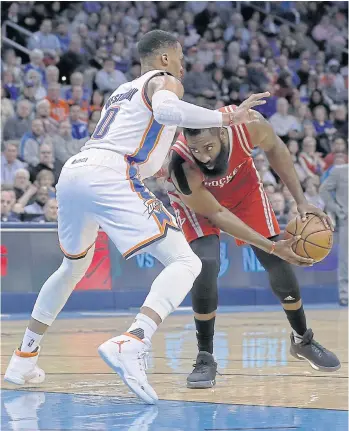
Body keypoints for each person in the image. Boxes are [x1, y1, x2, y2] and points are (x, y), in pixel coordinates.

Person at [4, 30, 286, 405]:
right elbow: (169, 112)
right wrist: (227, 115)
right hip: (111, 172)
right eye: (181, 56)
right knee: (186, 260)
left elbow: (151, 144)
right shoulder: (164, 80)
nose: (184, 65)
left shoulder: (122, 91)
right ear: (165, 58)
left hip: (75, 171)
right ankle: (133, 339)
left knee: (72, 267)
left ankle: (24, 358)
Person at [166, 105, 341, 389]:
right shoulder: (181, 165)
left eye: (209, 146)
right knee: (206, 264)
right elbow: (218, 215)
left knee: (279, 264)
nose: (205, 156)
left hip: (244, 189)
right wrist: (271, 247)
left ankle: (302, 340)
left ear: (222, 133)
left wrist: (300, 200)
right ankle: (205, 355)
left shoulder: (249, 125)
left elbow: (277, 151)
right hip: (200, 205)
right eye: (196, 150)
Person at [320, 165, 348, 306]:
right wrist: (338, 210)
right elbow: (323, 190)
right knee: (346, 260)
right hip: (347, 221)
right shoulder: (339, 171)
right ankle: (345, 294)